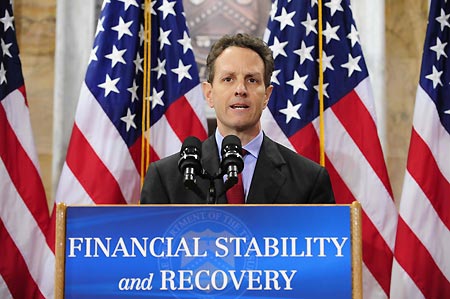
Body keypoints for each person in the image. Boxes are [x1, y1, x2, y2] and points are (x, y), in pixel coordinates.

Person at [140, 33, 335, 205]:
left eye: (252, 80)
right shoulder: (165, 178)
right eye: (228, 79)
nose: (240, 89)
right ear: (209, 94)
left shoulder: (309, 179)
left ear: (266, 95)